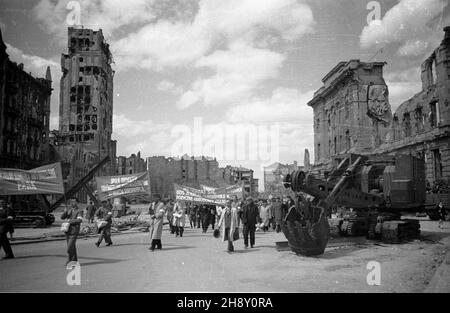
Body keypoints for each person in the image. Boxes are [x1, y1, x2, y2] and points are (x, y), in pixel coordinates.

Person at [61, 197, 83, 265]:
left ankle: (70, 260)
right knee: (72, 247)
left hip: (74, 230)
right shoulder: (68, 209)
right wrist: (65, 212)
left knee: (69, 247)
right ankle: (73, 261)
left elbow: (79, 220)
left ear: (77, 203)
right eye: (71, 201)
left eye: (74, 201)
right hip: (67, 230)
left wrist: (70, 221)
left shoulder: (79, 210)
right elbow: (62, 218)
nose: (72, 203)